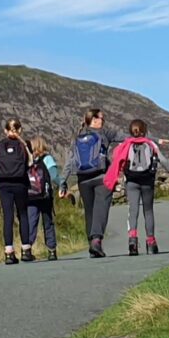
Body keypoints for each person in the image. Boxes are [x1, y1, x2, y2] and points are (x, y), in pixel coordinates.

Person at [102, 117, 165, 254]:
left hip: (131, 181)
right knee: (148, 211)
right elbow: (163, 159)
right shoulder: (150, 144)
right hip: (147, 181)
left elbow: (116, 158)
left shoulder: (126, 144)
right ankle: (151, 242)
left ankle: (132, 242)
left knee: (133, 211)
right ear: (144, 131)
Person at [72, 109, 114, 258]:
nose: (104, 121)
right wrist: (154, 140)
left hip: (83, 179)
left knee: (89, 211)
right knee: (101, 208)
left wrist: (63, 182)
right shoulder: (104, 134)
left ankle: (92, 243)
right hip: (102, 176)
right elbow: (130, 136)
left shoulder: (79, 136)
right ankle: (96, 241)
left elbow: (72, 160)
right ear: (95, 120)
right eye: (103, 118)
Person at [0, 117, 29, 267]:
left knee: (8, 216)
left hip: (4, 185)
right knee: (23, 214)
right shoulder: (24, 145)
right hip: (20, 184)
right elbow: (30, 163)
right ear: (20, 130)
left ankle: (9, 252)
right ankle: (26, 250)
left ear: (5, 130)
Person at [21, 137, 62, 261]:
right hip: (45, 195)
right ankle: (51, 251)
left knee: (31, 222)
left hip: (30, 196)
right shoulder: (47, 159)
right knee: (48, 222)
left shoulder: (27, 160)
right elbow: (54, 176)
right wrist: (63, 185)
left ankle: (27, 250)